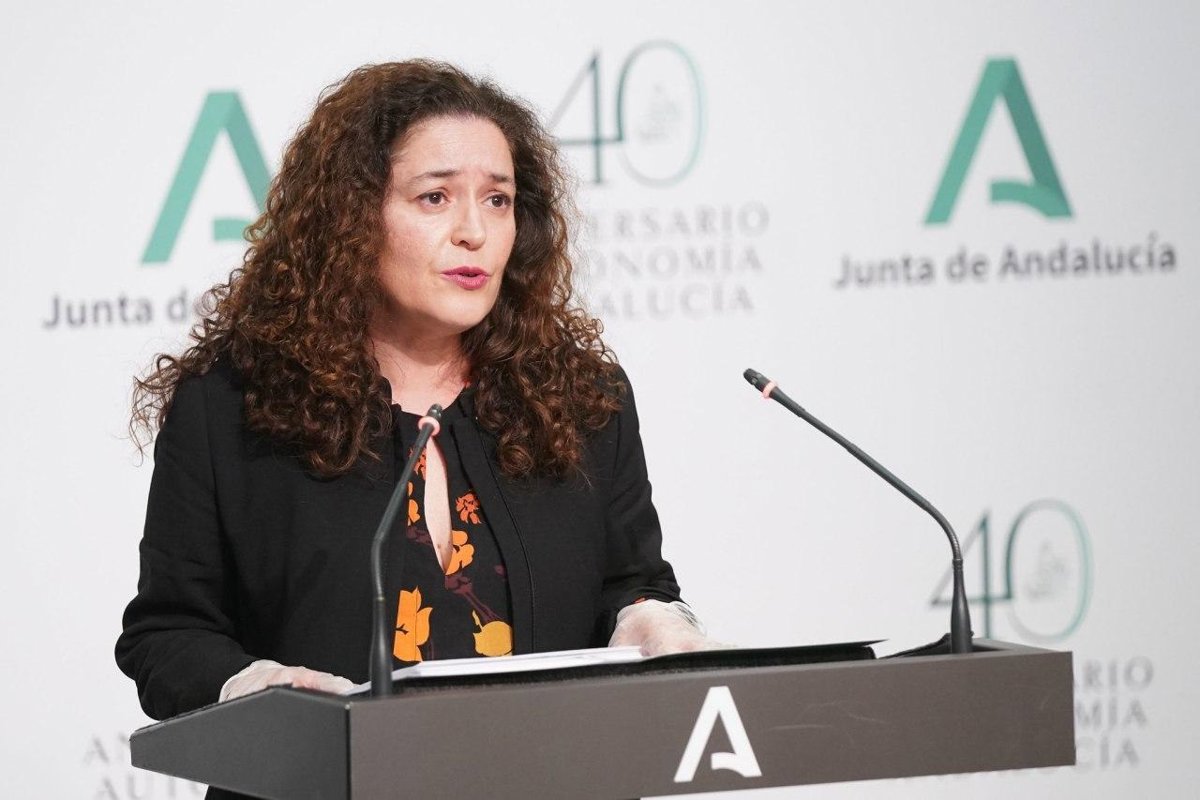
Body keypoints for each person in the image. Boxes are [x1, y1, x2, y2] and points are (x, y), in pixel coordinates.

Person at [116, 60, 715, 743]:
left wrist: (650, 619)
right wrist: (253, 686)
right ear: (352, 217)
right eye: (435, 198)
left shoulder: (580, 400)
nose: (474, 231)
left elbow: (633, 583)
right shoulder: (232, 409)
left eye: (498, 200)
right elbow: (169, 635)